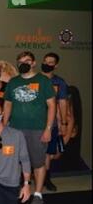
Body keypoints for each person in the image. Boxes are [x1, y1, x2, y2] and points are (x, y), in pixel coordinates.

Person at [3, 51, 56, 204]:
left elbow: (52, 105)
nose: (23, 64)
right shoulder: (13, 82)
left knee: (38, 162)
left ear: (33, 63)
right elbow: (7, 104)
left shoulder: (43, 81)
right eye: (20, 61)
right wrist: (4, 126)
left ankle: (38, 194)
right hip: (15, 129)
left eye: (26, 60)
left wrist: (48, 129)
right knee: (14, 161)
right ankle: (18, 189)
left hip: (37, 130)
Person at [41, 52, 69, 192]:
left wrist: (63, 123)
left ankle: (46, 178)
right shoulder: (35, 79)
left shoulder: (60, 82)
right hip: (33, 123)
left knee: (47, 153)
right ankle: (25, 179)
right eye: (45, 61)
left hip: (51, 124)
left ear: (56, 65)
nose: (46, 64)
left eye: (50, 62)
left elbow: (62, 103)